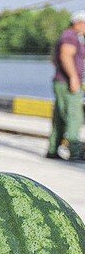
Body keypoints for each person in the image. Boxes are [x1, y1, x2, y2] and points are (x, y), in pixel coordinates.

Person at [47, 10, 85, 160]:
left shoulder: (71, 36)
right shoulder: (70, 36)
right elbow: (65, 55)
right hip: (67, 83)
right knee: (74, 116)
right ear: (79, 22)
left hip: (62, 82)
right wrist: (73, 77)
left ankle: (53, 149)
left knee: (60, 117)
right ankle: (75, 152)